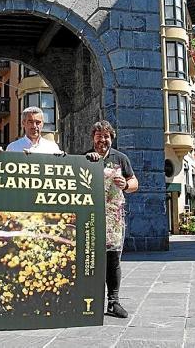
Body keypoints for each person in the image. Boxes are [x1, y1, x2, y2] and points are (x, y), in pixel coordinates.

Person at [84, 120, 138, 319]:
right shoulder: (85, 157)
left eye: (106, 136)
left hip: (114, 217)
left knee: (113, 259)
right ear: (93, 138)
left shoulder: (120, 158)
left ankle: (113, 301)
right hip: (89, 216)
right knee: (89, 257)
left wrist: (125, 184)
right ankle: (88, 299)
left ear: (111, 139)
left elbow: (134, 183)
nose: (102, 140)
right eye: (99, 136)